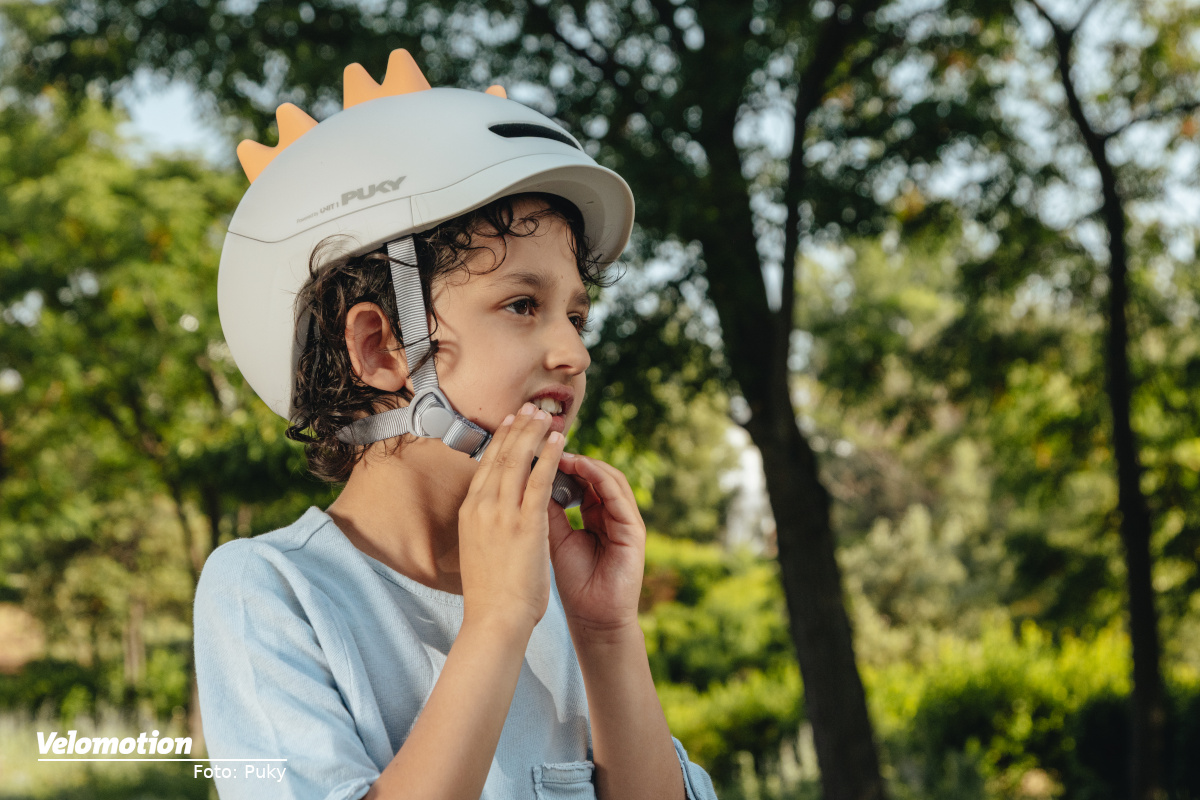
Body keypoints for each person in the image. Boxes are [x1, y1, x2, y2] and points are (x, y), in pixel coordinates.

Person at [193, 49, 720, 800]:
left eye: (577, 314)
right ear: (380, 349)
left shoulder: (560, 598)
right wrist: (498, 620)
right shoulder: (269, 591)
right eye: (521, 305)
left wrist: (607, 635)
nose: (573, 351)